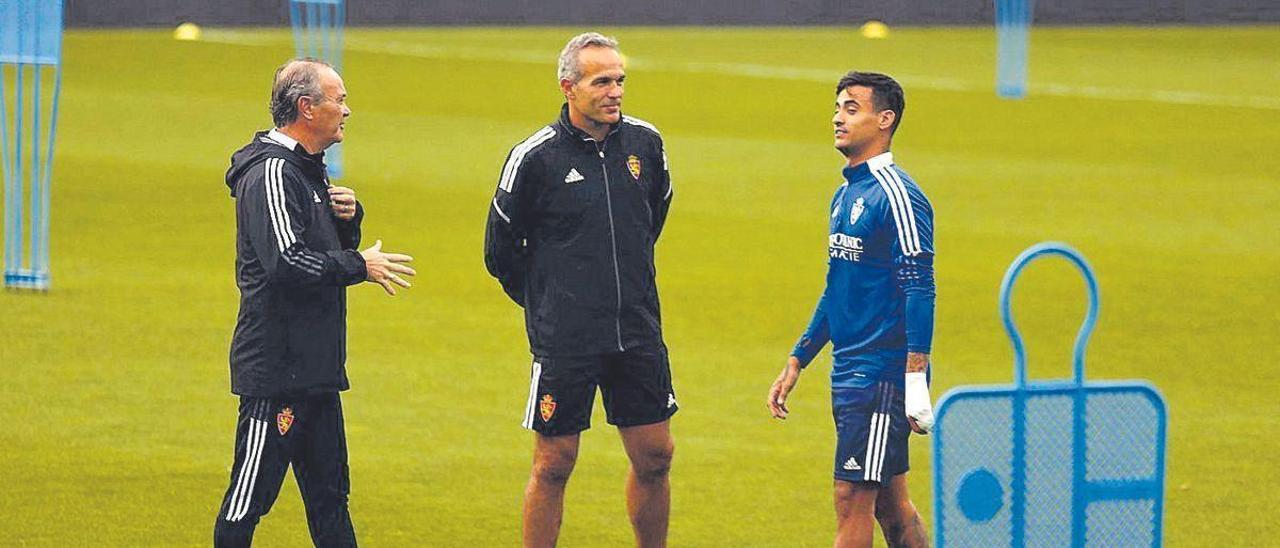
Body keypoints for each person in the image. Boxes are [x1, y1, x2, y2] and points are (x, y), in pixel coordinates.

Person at [483, 32, 677, 548]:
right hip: (566, 337)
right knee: (554, 461)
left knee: (657, 455)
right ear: (568, 87)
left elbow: (651, 217)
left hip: (636, 329)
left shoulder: (646, 144)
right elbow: (500, 250)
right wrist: (551, 299)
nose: (615, 91)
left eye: (620, 80)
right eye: (602, 81)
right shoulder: (534, 158)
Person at [214, 58, 415, 547]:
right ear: (306, 108)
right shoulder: (272, 174)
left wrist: (346, 222)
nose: (347, 110)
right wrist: (358, 266)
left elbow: (313, 250)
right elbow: (286, 263)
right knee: (247, 502)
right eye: (339, 99)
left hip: (316, 370)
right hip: (278, 372)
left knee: (330, 501)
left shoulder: (306, 171)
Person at [766, 71, 937, 548]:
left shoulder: (898, 195)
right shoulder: (845, 195)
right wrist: (799, 357)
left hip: (882, 374)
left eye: (851, 108)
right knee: (890, 503)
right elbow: (838, 288)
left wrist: (914, 378)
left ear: (885, 120)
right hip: (851, 370)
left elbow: (920, 286)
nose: (838, 118)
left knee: (851, 497)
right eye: (838, 107)